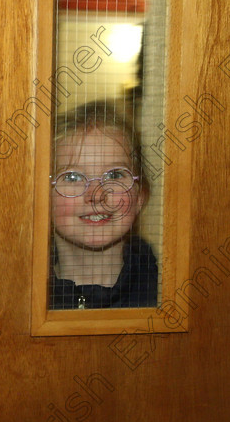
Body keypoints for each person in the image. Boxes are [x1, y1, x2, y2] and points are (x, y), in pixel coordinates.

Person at [49, 99, 158, 309]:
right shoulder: (21, 293)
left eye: (114, 175)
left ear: (140, 195)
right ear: (42, 198)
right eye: (72, 177)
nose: (97, 195)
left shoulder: (165, 287)